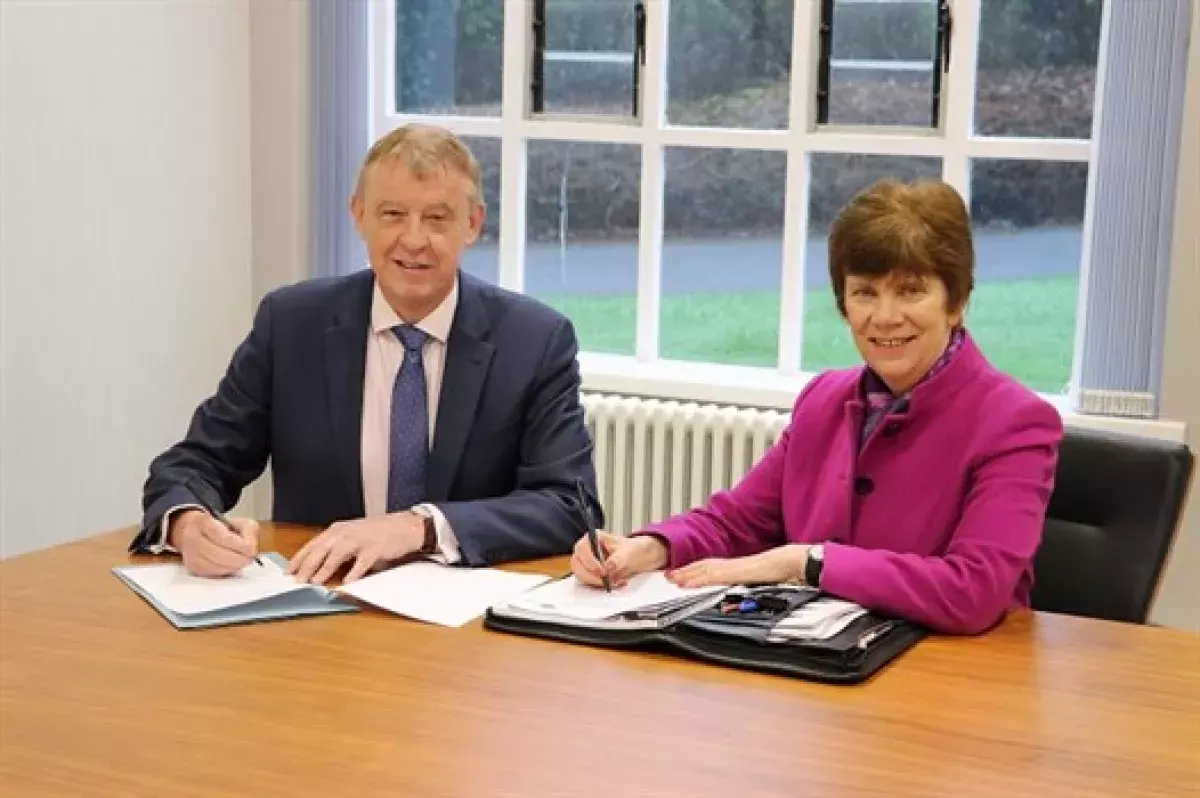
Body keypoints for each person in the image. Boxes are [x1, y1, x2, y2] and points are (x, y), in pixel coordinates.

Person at [571, 178, 1063, 635]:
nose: (886, 317)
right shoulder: (825, 399)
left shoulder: (1016, 423)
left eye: (911, 291)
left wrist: (806, 563)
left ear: (955, 302)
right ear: (843, 304)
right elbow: (737, 521)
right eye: (865, 293)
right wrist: (651, 548)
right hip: (819, 663)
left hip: (950, 680)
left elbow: (973, 591)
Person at [133, 123, 602, 584]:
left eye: (437, 219)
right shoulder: (292, 323)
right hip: (320, 603)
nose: (414, 240)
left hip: (467, 621)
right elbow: (195, 464)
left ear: (473, 224)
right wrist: (189, 523)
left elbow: (566, 507)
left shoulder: (534, 339)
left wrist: (418, 526)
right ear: (358, 215)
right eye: (392, 214)